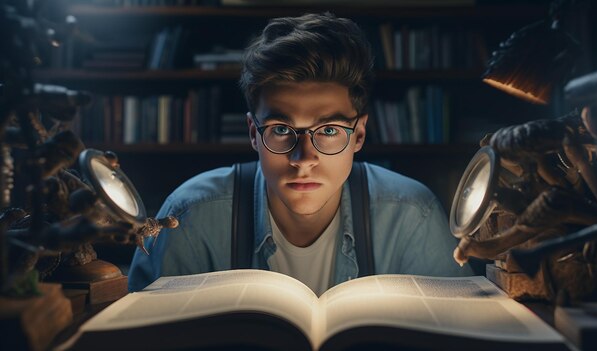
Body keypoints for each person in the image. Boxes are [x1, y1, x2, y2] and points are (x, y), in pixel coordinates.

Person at [128, 12, 473, 294]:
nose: (303, 158)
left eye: (328, 130)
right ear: (253, 133)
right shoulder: (189, 218)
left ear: (359, 135)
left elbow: (455, 333)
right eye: (281, 130)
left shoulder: (413, 215)